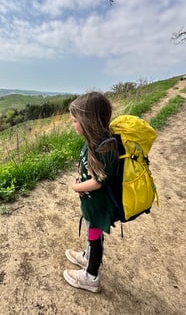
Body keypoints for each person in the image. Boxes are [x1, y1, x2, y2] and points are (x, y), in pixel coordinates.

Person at [63, 91, 119, 293]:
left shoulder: (105, 147)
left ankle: (91, 277)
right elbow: (90, 171)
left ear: (88, 121)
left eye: (74, 121)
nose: (72, 124)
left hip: (98, 206)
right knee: (91, 235)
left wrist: (76, 186)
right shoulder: (94, 141)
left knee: (95, 238)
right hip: (91, 203)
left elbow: (97, 182)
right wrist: (80, 178)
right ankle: (87, 257)